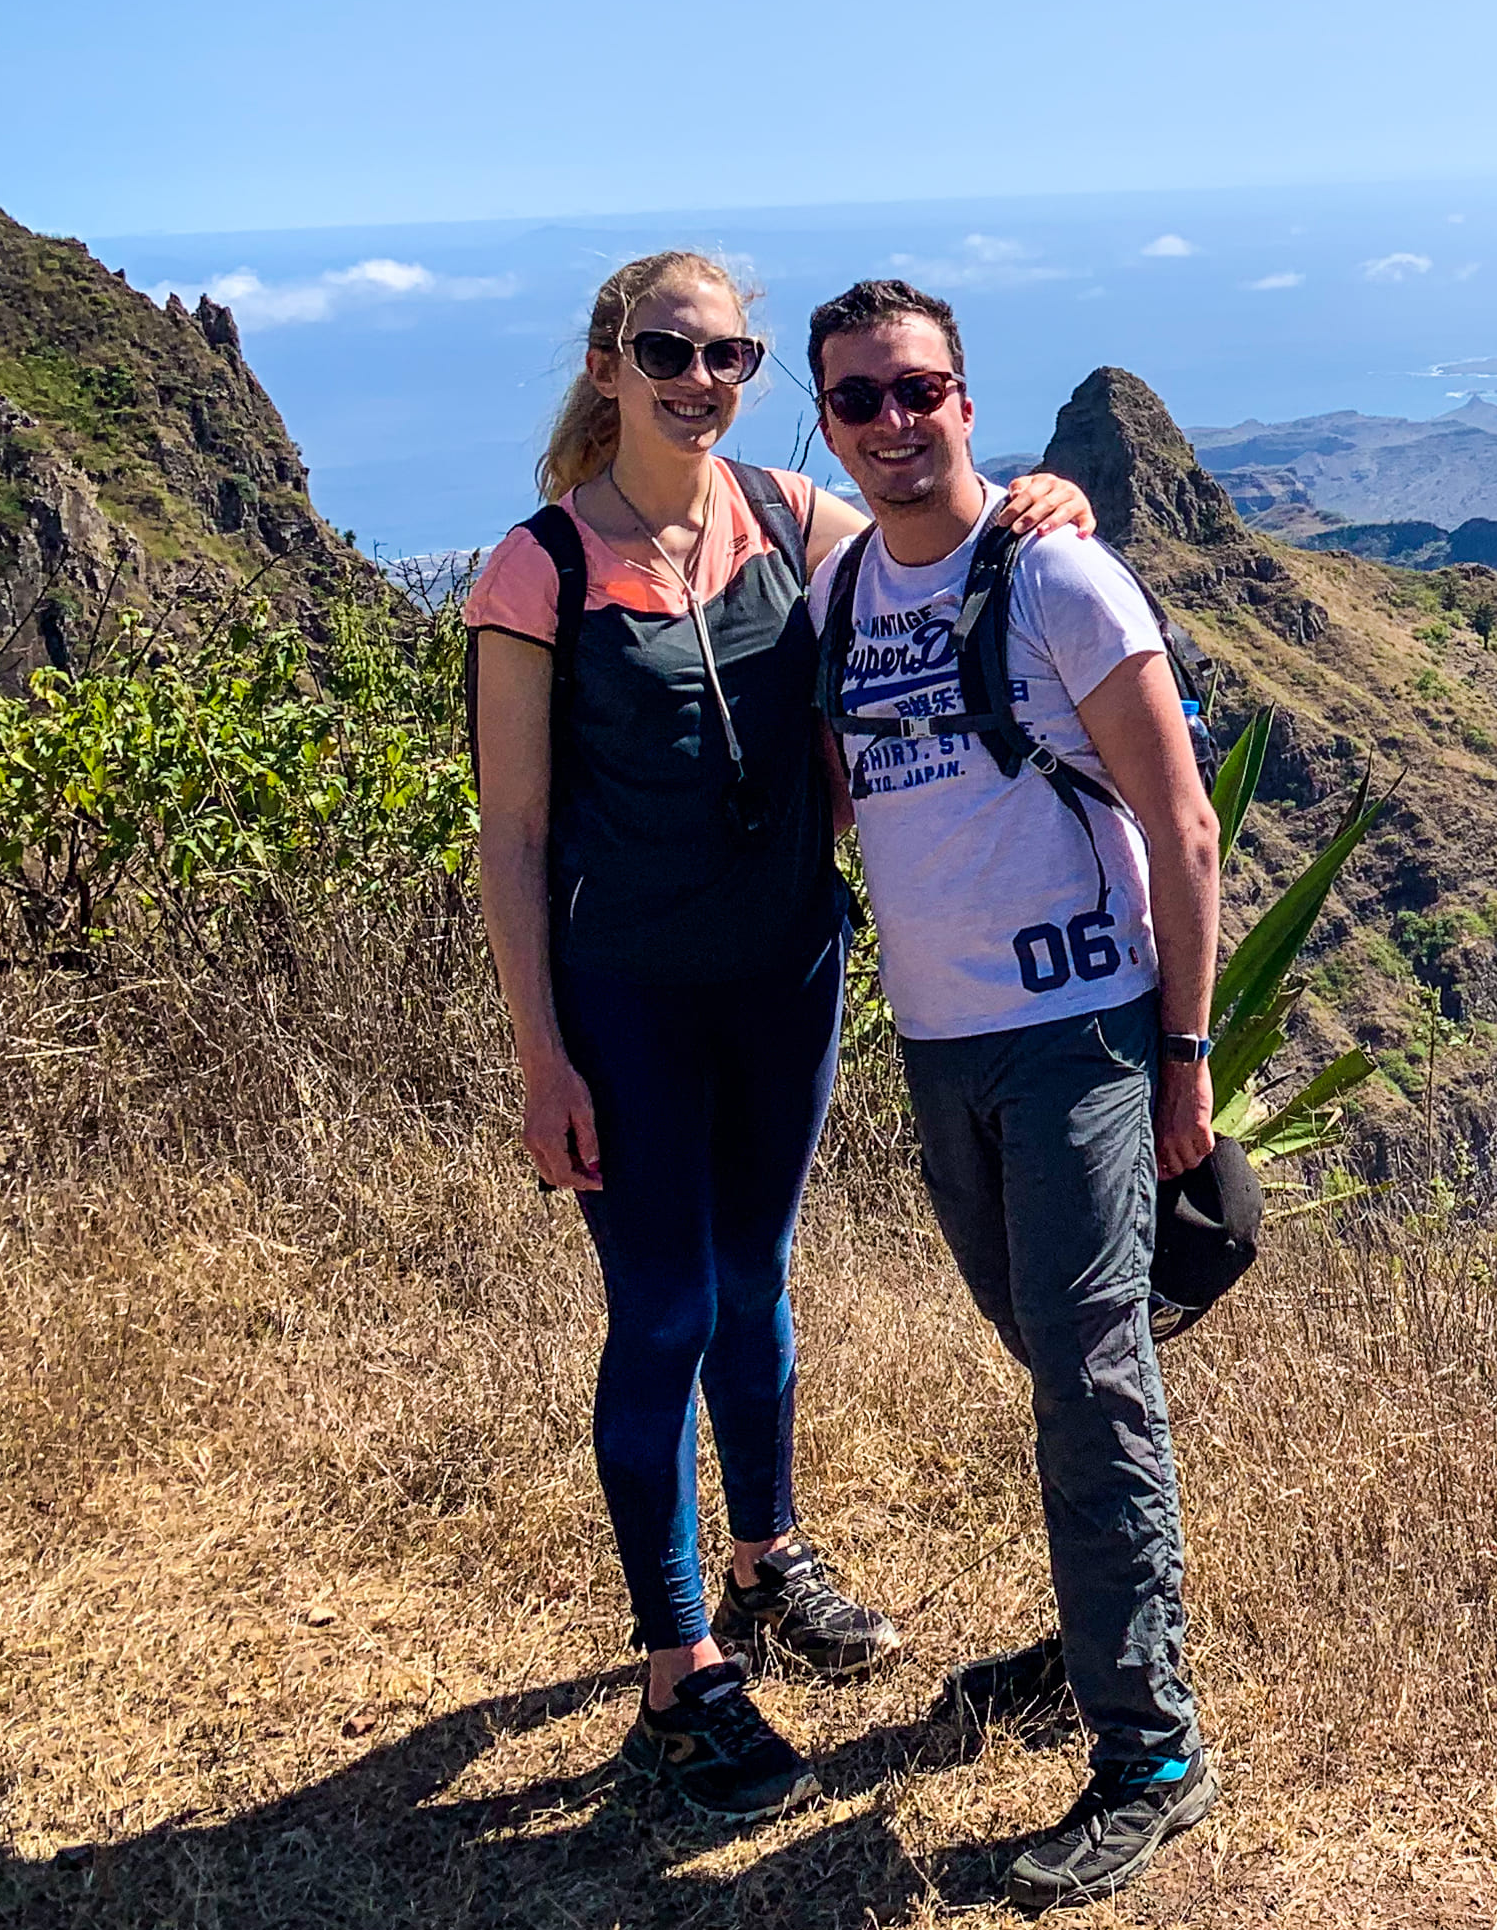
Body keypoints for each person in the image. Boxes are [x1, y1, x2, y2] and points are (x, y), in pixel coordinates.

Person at [467, 250, 1094, 1821]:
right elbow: (514, 832)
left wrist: (1046, 503)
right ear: (607, 365)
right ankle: (679, 1670)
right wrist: (543, 1056)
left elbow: (933, 551)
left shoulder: (791, 521)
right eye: (665, 351)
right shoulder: (537, 573)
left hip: (786, 976)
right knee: (664, 1310)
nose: (698, 380)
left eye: (727, 355)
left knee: (755, 1279)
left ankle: (765, 1559)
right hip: (629, 994)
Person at [801, 274, 1230, 1912]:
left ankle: (1150, 1752)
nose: (893, 422)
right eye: (859, 399)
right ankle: (1103, 1640)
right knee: (1051, 1359)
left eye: (919, 391)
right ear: (827, 424)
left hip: (1082, 1039)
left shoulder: (1058, 573)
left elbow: (1183, 825)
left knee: (1093, 1375)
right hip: (943, 1044)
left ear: (965, 401)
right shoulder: (842, 594)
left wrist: (1182, 1052)